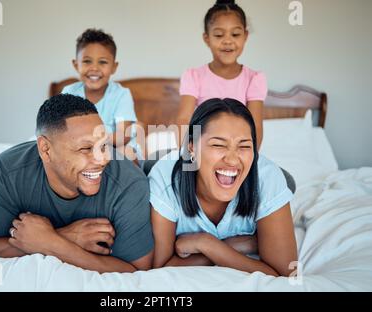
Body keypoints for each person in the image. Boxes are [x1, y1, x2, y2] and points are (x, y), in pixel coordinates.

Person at [0, 94, 153, 273]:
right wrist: (66, 236)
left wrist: (53, 243)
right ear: (45, 150)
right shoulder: (9, 170)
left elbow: (137, 270)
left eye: (104, 145)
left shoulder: (130, 183)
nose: (103, 158)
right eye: (86, 148)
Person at [149, 98, 298, 276]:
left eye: (244, 146)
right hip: (176, 165)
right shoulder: (165, 179)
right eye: (218, 144)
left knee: (282, 182)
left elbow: (286, 274)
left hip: (259, 177)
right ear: (191, 148)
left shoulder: (268, 178)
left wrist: (208, 244)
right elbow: (159, 268)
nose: (233, 159)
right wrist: (239, 245)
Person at [176, 0, 266, 148]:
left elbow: (255, 127)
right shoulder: (194, 76)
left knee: (277, 172)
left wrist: (249, 158)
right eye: (219, 35)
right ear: (207, 39)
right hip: (203, 149)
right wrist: (189, 156)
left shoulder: (254, 79)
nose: (228, 41)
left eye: (235, 34)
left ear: (245, 36)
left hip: (238, 151)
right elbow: (183, 120)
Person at [62, 28, 141, 164]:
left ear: (114, 67)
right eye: (87, 61)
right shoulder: (69, 93)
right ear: (76, 65)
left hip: (113, 145)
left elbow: (123, 135)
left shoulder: (121, 95)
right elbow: (61, 129)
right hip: (79, 147)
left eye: (102, 62)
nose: (94, 68)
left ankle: (129, 183)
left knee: (127, 154)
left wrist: (93, 143)